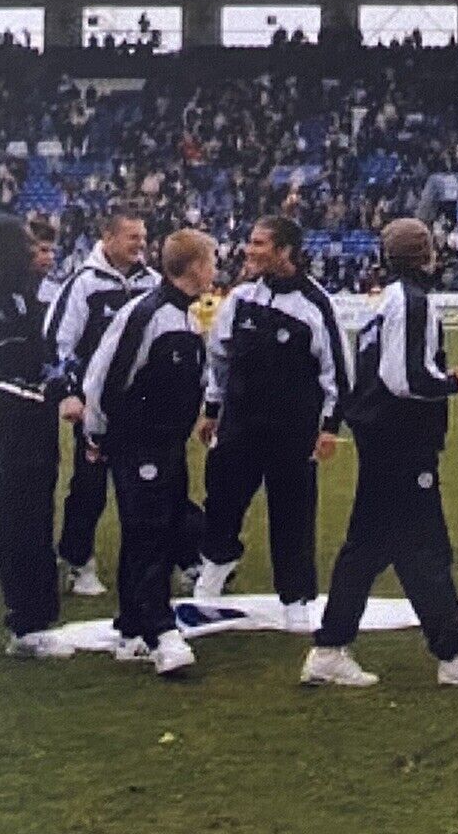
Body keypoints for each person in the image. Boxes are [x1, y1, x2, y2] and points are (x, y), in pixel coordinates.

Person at [301, 218, 458, 689]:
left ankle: (332, 646)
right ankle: (451, 651)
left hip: (382, 438)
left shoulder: (387, 303)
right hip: (401, 444)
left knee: (372, 548)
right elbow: (407, 379)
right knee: (422, 546)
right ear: (428, 254)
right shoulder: (411, 304)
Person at [194, 216, 350, 633]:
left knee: (292, 515)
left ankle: (296, 598)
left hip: (292, 430)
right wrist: (212, 410)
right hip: (239, 425)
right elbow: (219, 358)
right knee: (223, 503)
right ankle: (212, 575)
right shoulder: (241, 298)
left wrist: (330, 426)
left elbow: (337, 372)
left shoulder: (316, 305)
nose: (249, 249)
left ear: (285, 251)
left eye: (259, 243)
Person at [81, 229, 217, 676]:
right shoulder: (148, 314)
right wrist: (97, 434)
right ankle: (163, 634)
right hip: (137, 442)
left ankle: (133, 628)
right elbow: (104, 375)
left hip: (168, 445)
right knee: (150, 532)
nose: (215, 268)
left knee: (156, 527)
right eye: (211, 260)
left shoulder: (185, 317)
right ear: (195, 267)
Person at [44, 208, 160, 597]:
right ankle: (78, 561)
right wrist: (68, 393)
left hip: (146, 408)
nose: (141, 245)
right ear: (108, 238)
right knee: (90, 485)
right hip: (96, 408)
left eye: (144, 238)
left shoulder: (155, 284)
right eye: (133, 238)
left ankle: (170, 558)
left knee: (156, 483)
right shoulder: (82, 285)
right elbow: (57, 343)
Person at [0, 216, 74, 659]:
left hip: (34, 426)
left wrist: (57, 384)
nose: (31, 252)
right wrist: (25, 393)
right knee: (1, 519)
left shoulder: (29, 296)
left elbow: (45, 356)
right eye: (23, 245)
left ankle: (32, 624)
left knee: (35, 518)